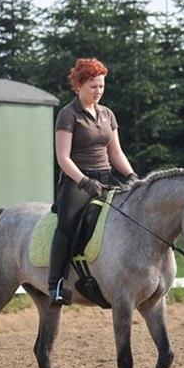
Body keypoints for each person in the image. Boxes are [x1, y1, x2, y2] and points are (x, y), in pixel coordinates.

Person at [48, 58, 139, 307]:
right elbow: (63, 158)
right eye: (92, 86)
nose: (98, 91)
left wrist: (131, 176)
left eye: (101, 86)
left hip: (106, 176)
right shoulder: (68, 115)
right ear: (78, 86)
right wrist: (84, 181)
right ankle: (55, 284)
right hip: (77, 181)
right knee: (66, 226)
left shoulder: (107, 114)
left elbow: (115, 153)